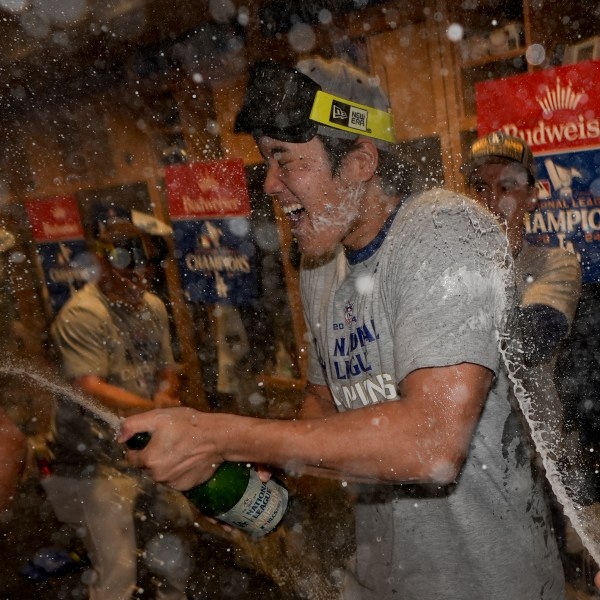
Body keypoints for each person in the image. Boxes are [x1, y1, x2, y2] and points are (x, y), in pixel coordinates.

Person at [120, 57, 566, 599]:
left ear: (360, 159)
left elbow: (433, 445)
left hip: (483, 583)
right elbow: (324, 403)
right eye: (267, 162)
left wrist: (220, 433)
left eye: (286, 161)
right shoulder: (319, 268)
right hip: (383, 577)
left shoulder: (445, 230)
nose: (271, 185)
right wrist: (261, 466)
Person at [45, 221, 193, 600]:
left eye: (146, 265)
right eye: (129, 264)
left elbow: (167, 368)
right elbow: (89, 388)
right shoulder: (84, 315)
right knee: (117, 573)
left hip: (140, 449)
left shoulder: (153, 307)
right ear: (102, 264)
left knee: (173, 557)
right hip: (92, 462)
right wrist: (156, 410)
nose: (140, 276)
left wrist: (162, 397)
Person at [462, 131, 581, 368]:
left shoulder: (558, 264)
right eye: (481, 188)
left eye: (506, 187)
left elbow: (530, 344)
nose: (492, 200)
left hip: (529, 405)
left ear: (532, 196)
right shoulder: (453, 267)